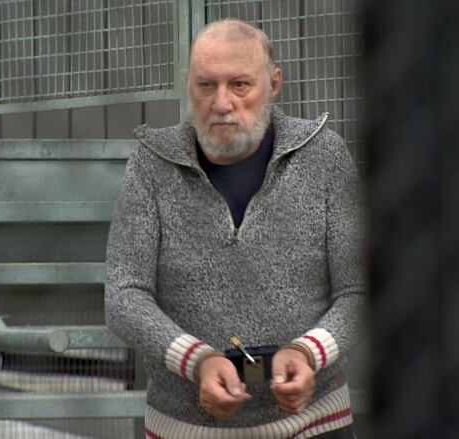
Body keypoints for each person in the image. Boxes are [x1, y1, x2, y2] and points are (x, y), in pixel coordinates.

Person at [106, 19, 365, 439]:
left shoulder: (324, 156)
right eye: (206, 86)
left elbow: (361, 289)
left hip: (313, 425)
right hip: (184, 428)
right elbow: (123, 295)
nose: (222, 103)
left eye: (240, 85)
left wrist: (308, 352)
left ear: (275, 83)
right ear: (188, 84)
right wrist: (199, 361)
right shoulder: (151, 164)